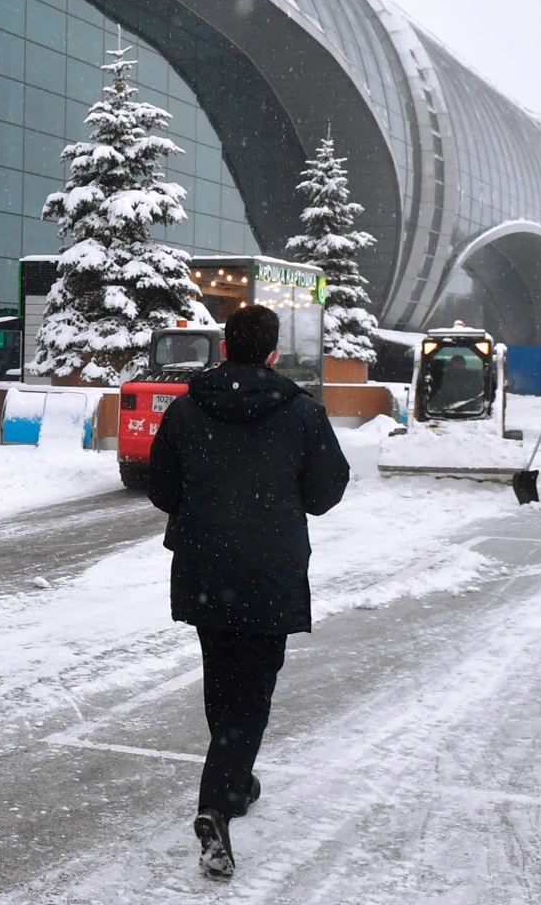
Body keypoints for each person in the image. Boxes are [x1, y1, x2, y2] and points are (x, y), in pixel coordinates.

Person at [146, 304, 350, 879]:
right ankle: (217, 803)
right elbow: (325, 491)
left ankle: (236, 781)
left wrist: (207, 507)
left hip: (206, 569)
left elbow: (161, 487)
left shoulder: (186, 409)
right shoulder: (303, 413)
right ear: (272, 353)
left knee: (222, 677)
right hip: (269, 571)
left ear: (224, 347)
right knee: (253, 692)